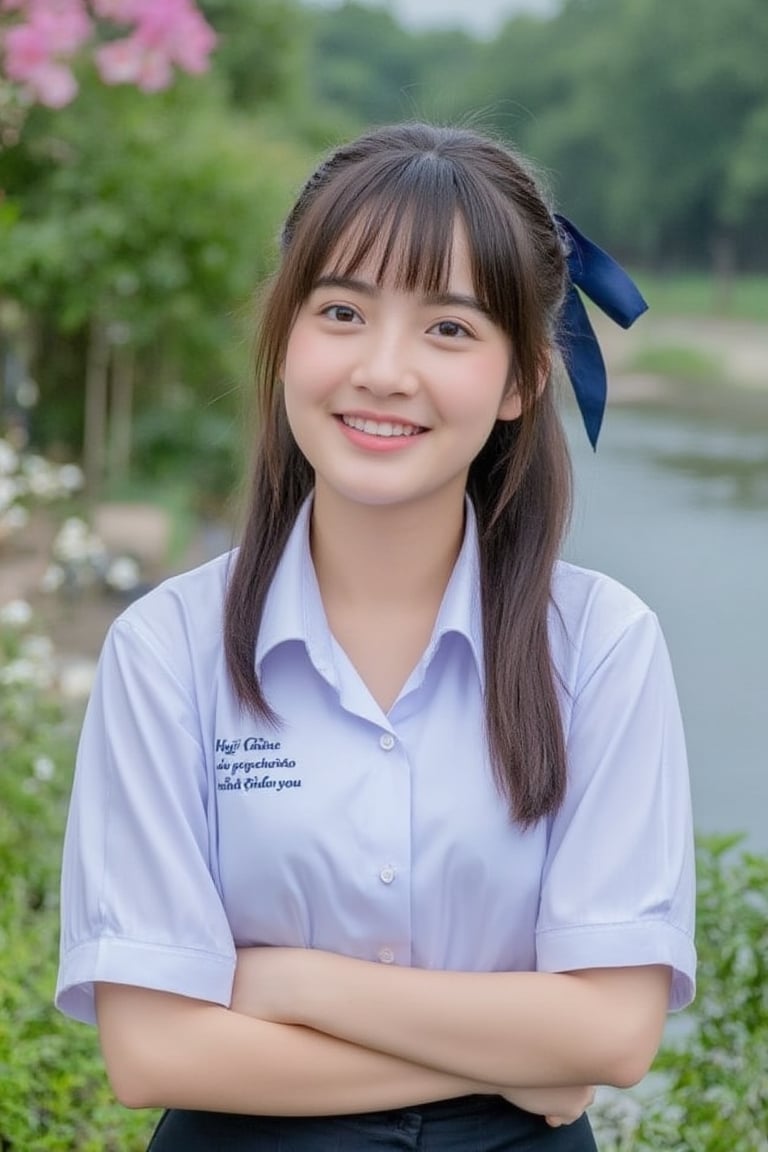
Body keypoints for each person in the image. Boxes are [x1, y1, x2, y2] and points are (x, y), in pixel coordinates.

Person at [56, 122, 696, 1151]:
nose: (383, 371)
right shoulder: (165, 651)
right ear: (285, 334)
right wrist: (524, 1052)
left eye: (449, 329)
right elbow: (155, 1054)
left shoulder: (601, 646)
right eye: (343, 312)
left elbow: (614, 1034)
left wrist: (284, 982)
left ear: (524, 377)